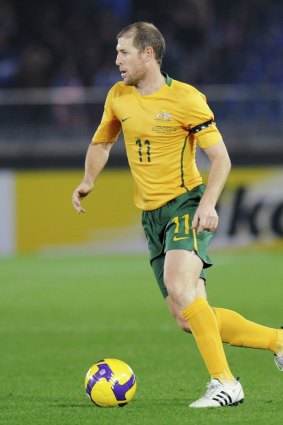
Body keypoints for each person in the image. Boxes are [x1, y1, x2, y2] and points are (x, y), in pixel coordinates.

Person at [72, 22, 283, 408]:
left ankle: (225, 383)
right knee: (188, 316)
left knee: (181, 288)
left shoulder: (187, 98)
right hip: (150, 217)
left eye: (123, 52)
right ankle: (279, 341)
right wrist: (88, 179)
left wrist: (207, 205)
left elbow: (220, 158)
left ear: (147, 54)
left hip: (185, 204)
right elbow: (102, 141)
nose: (116, 60)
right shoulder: (118, 96)